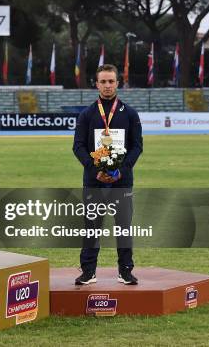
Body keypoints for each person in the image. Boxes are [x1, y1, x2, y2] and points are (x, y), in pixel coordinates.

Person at [72, 64, 143, 285]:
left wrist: (120, 172)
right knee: (92, 226)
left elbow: (137, 147)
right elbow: (78, 146)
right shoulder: (87, 114)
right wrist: (96, 171)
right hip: (94, 181)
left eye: (111, 81)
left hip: (122, 182)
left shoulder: (130, 113)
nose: (107, 85)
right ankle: (88, 271)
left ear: (117, 83)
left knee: (123, 226)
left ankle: (125, 270)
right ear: (96, 84)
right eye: (103, 81)